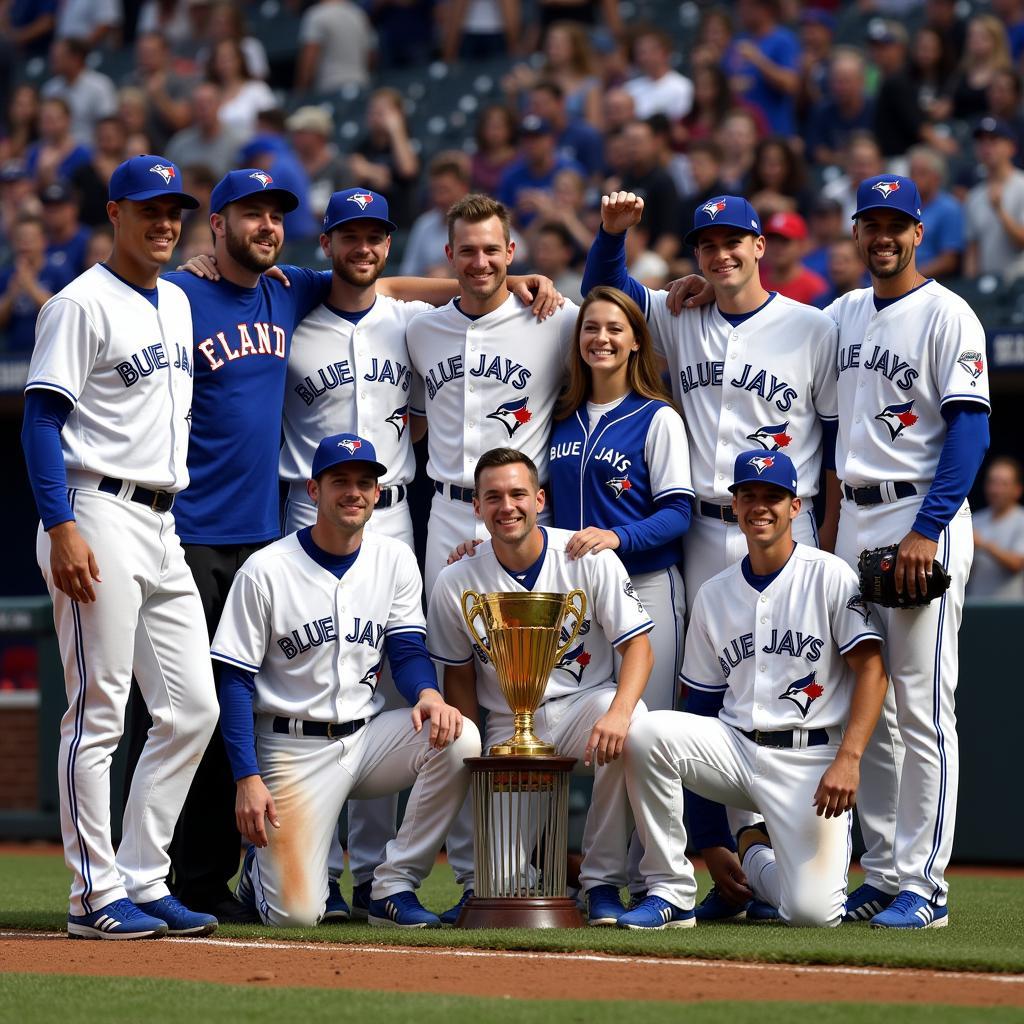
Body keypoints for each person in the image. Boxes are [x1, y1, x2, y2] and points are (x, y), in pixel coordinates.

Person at [582, 190, 841, 918]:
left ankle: (770, 844)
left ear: (762, 246)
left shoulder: (811, 327)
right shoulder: (676, 311)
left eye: (736, 241)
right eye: (708, 244)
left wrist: (830, 536)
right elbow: (608, 292)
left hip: (787, 521)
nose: (722, 254)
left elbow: (833, 452)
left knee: (787, 673)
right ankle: (697, 856)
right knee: (699, 694)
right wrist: (611, 234)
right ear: (695, 255)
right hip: (697, 524)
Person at [124, 169, 333, 924]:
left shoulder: (288, 290)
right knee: (171, 716)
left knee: (230, 714)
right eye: (251, 214)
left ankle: (205, 880)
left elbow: (376, 274)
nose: (267, 226)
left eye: (276, 215)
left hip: (258, 541)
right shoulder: (179, 295)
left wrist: (525, 277)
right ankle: (141, 876)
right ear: (217, 225)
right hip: (185, 535)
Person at [20, 155, 220, 939]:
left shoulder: (176, 301)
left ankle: (143, 875)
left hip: (162, 520)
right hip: (92, 507)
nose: (165, 222)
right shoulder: (78, 304)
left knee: (190, 711)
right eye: (149, 209)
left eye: (174, 210)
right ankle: (92, 895)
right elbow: (40, 421)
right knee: (99, 714)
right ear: (115, 213)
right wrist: (60, 525)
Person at [215, 432, 480, 928]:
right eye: (340, 481)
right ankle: (259, 871)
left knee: (460, 735)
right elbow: (234, 682)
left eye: (364, 482)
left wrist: (427, 693)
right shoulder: (264, 570)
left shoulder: (394, 558)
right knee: (297, 916)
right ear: (314, 491)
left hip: (365, 739)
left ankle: (391, 885)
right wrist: (246, 777)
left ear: (378, 494)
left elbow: (405, 648)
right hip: (289, 749)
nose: (353, 492)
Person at [618, 450, 887, 929]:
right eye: (749, 496)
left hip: (811, 760)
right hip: (735, 749)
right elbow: (700, 708)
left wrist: (849, 758)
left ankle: (755, 850)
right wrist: (713, 841)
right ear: (735, 506)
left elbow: (872, 671)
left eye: (773, 497)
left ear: (795, 507)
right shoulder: (714, 593)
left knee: (812, 914)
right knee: (645, 732)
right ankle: (671, 890)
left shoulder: (830, 575)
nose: (760, 507)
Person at [829, 173, 991, 928]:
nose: (884, 236)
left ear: (918, 233)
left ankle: (926, 886)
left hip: (917, 513)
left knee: (924, 709)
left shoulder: (947, 314)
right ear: (858, 231)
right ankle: (887, 870)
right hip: (856, 518)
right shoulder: (843, 315)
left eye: (898, 224)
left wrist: (927, 529)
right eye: (873, 223)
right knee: (877, 707)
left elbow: (970, 431)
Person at [428, 447, 655, 926]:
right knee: (504, 886)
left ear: (539, 499)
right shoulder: (456, 578)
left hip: (582, 705)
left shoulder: (585, 554)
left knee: (634, 726)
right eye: (492, 497)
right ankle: (509, 879)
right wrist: (475, 754)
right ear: (476, 508)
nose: (505, 506)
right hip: (508, 723)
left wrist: (617, 712)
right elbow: (460, 675)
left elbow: (639, 648)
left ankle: (600, 884)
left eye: (517, 494)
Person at [405, 193, 579, 598]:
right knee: (447, 651)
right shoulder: (421, 330)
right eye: (467, 251)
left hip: (522, 513)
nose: (480, 262)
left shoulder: (554, 319)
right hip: (446, 511)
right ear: (449, 254)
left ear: (511, 251)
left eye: (491, 250)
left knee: (529, 651)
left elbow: (623, 330)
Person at [549, 285, 693, 714]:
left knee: (645, 727)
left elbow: (678, 513)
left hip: (644, 584)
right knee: (590, 729)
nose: (601, 338)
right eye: (590, 328)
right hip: (579, 589)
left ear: (636, 341)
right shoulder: (561, 415)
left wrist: (617, 537)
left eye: (615, 328)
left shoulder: (657, 416)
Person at [0, 212, 72, 350]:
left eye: (30, 239)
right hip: (13, 358)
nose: (24, 244)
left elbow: (63, 314)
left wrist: (31, 287)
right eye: (20, 239)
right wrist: (11, 294)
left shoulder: (59, 272)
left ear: (43, 241)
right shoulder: (5, 275)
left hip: (51, 351)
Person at [964, 117, 1024, 281]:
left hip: (1019, 283)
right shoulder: (974, 196)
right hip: (989, 286)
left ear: (1011, 147)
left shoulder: (1021, 186)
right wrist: (970, 285)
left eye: (994, 140)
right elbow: (973, 248)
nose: (986, 147)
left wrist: (1000, 210)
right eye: (981, 142)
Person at [968, 457, 1024, 599]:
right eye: (992, 482)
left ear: (1017, 490)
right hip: (975, 604)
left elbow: (1017, 563)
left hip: (1010, 609)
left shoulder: (1021, 520)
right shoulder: (974, 519)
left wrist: (983, 544)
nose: (995, 490)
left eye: (1003, 484)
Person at [760, 211, 829, 307]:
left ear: (802, 245)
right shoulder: (757, 283)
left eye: (784, 241)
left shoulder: (814, 287)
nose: (777, 247)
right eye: (772, 240)